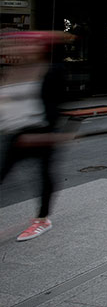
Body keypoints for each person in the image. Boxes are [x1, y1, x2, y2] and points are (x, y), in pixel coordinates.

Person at [0, 32, 71, 241]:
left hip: (41, 134)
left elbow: (57, 106)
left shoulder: (51, 71)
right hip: (14, 133)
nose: (17, 49)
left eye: (26, 45)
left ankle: (42, 219)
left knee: (44, 176)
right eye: (10, 46)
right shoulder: (7, 73)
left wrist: (50, 132)